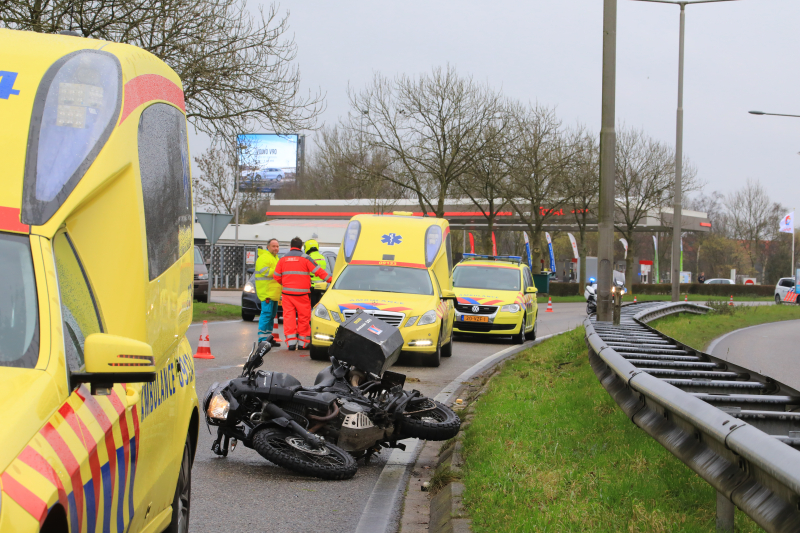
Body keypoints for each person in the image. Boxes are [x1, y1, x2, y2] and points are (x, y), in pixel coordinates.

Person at [274, 237, 333, 351]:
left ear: (291, 246)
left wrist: (286, 283)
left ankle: (291, 344)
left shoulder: (283, 259)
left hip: (287, 294)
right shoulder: (306, 258)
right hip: (302, 295)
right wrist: (332, 280)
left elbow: (276, 276)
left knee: (289, 318)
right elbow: (319, 271)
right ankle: (303, 344)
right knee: (304, 318)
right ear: (301, 247)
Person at [254, 238, 281, 346]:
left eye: (277, 246)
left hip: (273, 293)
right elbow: (265, 272)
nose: (276, 248)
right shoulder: (264, 257)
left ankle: (268, 338)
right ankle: (262, 339)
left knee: (271, 316)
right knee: (266, 315)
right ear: (268, 247)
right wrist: (279, 272)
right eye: (274, 246)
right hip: (267, 293)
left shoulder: (275, 258)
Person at [304, 238, 328, 308]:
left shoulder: (309, 258)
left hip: (311, 287)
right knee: (318, 306)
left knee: (311, 307)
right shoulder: (322, 257)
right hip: (321, 286)